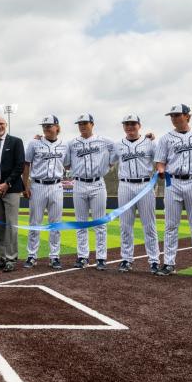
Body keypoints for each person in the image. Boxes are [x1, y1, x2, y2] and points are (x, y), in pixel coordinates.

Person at [154, 104, 192, 277]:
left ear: (188, 116)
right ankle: (169, 263)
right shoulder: (165, 138)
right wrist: (161, 169)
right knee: (171, 226)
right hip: (173, 182)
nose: (174, 118)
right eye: (172, 116)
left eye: (177, 115)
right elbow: (160, 161)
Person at [64, 114, 118, 270]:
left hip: (97, 183)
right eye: (79, 123)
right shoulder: (72, 144)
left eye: (85, 123)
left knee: (100, 223)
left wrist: (110, 162)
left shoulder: (105, 141)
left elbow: (119, 149)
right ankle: (82, 257)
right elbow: (66, 164)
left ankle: (101, 258)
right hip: (79, 183)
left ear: (92, 124)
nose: (82, 126)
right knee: (81, 223)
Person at [114, 115, 160, 274]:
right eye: (126, 124)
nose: (129, 127)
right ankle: (126, 259)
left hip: (145, 185)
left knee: (149, 225)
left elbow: (160, 160)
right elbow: (108, 161)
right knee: (125, 226)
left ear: (139, 125)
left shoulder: (150, 143)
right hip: (125, 185)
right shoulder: (117, 145)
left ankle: (154, 260)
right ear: (123, 127)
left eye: (133, 124)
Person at [22, 115, 67, 270]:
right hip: (38, 185)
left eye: (49, 126)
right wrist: (25, 185)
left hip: (56, 186)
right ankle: (32, 255)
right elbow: (26, 165)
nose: (46, 128)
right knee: (35, 222)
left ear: (57, 127)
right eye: (44, 126)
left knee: (55, 224)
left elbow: (67, 165)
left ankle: (54, 256)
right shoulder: (34, 143)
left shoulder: (64, 145)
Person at [0, 116, 25, 272]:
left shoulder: (16, 141)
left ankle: (11, 258)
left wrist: (6, 183)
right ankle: (1, 258)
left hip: (11, 189)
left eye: (1, 124)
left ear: (6, 125)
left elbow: (20, 165)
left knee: (11, 226)